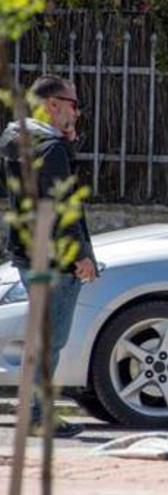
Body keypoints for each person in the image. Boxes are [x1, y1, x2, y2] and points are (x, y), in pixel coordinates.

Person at [1, 75, 97, 438]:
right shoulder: (51, 148)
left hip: (27, 252)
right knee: (51, 342)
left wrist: (67, 142)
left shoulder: (16, 138)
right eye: (73, 104)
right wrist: (81, 255)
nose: (77, 111)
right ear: (52, 104)